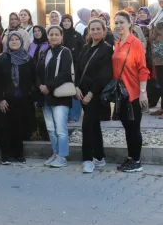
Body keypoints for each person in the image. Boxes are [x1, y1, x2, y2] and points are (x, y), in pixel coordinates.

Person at [0, 31, 36, 165]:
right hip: (5, 100)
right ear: (7, 42)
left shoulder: (28, 59)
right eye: (12, 39)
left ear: (22, 41)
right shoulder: (1, 59)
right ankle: (5, 155)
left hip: (22, 100)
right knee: (5, 129)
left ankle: (18, 154)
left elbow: (33, 79)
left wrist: (31, 97)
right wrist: (0, 99)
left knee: (19, 128)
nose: (14, 41)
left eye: (17, 39)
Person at [75, 18, 113, 173]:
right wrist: (76, 87)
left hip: (95, 95)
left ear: (104, 30)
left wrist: (91, 93)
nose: (95, 31)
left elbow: (104, 74)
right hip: (82, 93)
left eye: (98, 29)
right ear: (88, 31)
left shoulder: (107, 49)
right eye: (93, 29)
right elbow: (78, 68)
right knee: (94, 126)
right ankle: (100, 156)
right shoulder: (85, 48)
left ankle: (87, 159)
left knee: (87, 126)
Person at [113, 11, 150, 173]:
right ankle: (131, 157)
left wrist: (143, 92)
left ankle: (137, 161)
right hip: (121, 93)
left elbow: (143, 69)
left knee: (134, 127)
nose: (119, 25)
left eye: (122, 22)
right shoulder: (118, 43)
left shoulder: (135, 43)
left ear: (130, 24)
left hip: (133, 92)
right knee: (127, 127)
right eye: (116, 23)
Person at [36, 25, 73, 168]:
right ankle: (56, 153)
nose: (54, 37)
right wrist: (40, 86)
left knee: (61, 129)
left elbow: (65, 73)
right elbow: (37, 72)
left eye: (57, 34)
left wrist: (48, 86)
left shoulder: (65, 52)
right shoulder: (44, 52)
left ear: (62, 37)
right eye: (51, 34)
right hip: (46, 96)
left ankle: (62, 157)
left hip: (59, 97)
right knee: (51, 128)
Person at [60, 14, 84, 123]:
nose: (66, 23)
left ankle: (74, 115)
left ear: (71, 22)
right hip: (61, 66)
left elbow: (82, 50)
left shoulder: (77, 35)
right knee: (63, 90)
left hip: (75, 65)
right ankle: (64, 114)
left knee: (74, 89)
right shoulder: (58, 35)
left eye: (68, 21)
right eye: (64, 21)